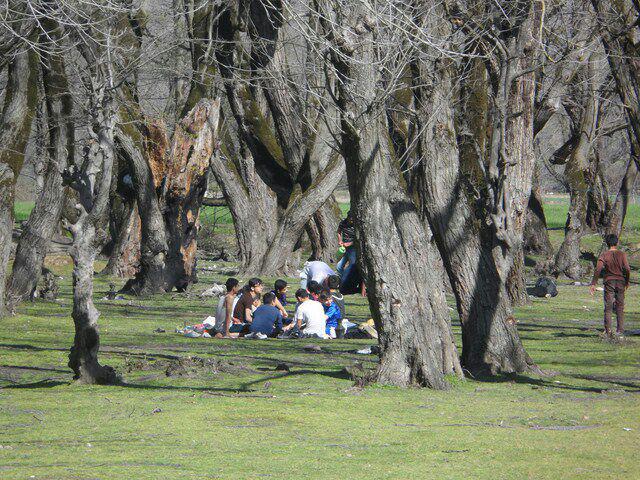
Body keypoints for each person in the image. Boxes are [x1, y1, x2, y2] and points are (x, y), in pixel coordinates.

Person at [590, 234, 631, 336]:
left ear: (607, 243)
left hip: (609, 282)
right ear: (617, 243)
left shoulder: (604, 255)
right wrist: (627, 281)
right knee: (620, 306)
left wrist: (593, 283)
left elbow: (598, 269)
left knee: (608, 307)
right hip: (620, 282)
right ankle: (620, 331)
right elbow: (627, 269)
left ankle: (608, 331)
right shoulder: (622, 254)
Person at [337, 210, 357, 281]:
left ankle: (349, 281)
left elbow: (359, 239)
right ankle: (342, 281)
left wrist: (350, 243)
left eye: (353, 219)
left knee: (352, 265)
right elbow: (339, 232)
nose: (352, 221)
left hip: (353, 248)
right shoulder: (343, 222)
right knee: (339, 266)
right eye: (350, 219)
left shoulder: (356, 225)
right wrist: (340, 240)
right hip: (344, 248)